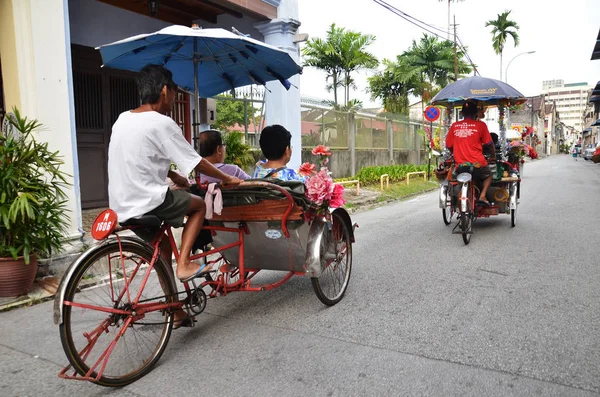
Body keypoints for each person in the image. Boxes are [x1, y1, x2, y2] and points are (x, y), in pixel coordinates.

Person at [108, 64, 243, 287]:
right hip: (147, 200)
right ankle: (184, 264)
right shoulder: (161, 122)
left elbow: (139, 157)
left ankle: (175, 312)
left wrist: (172, 173)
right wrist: (227, 179)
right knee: (199, 205)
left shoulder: (122, 119)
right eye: (174, 92)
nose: (173, 97)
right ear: (164, 90)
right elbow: (196, 162)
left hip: (121, 203)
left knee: (162, 248)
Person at [446, 100, 496, 206]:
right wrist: (493, 157)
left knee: (458, 178)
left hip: (460, 165)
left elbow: (449, 146)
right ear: (475, 113)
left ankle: (460, 197)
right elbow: (490, 144)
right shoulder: (481, 125)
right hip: (478, 163)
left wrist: (455, 154)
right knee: (488, 175)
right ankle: (482, 195)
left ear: (462, 113)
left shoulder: (454, 126)